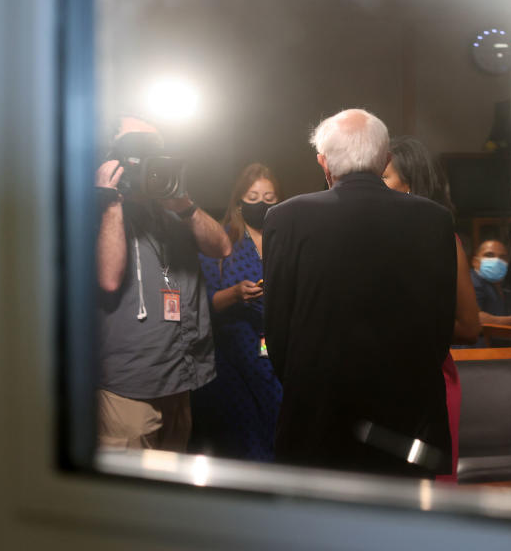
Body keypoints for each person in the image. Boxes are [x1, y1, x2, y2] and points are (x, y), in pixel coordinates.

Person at [262, 109, 457, 478]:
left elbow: (277, 330)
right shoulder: (434, 219)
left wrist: (310, 381)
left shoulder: (286, 218)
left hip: (318, 413)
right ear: (385, 160)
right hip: (408, 416)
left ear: (324, 163)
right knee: (401, 529)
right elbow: (440, 325)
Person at [95, 116, 231, 452]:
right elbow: (109, 278)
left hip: (179, 375)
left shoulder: (173, 211)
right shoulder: (94, 211)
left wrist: (184, 205)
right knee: (128, 496)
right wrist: (111, 201)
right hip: (129, 385)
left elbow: (222, 248)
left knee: (166, 491)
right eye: (136, 146)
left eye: (155, 147)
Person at [383, 135, 480, 483]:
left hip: (428, 385)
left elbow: (469, 327)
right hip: (377, 385)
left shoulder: (443, 240)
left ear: (410, 185)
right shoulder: (368, 238)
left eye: (384, 179)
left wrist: (409, 324)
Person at [192, 163, 284, 461]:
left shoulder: (284, 240)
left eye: (269, 198)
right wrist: (235, 294)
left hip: (278, 353)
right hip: (231, 354)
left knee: (277, 423)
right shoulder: (221, 240)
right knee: (240, 435)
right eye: (253, 196)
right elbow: (201, 304)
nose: (261, 204)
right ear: (239, 201)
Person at [471, 238, 511, 327]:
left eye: (502, 257)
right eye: (489, 255)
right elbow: (474, 319)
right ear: (475, 262)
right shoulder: (472, 283)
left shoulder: (505, 286)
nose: (496, 261)